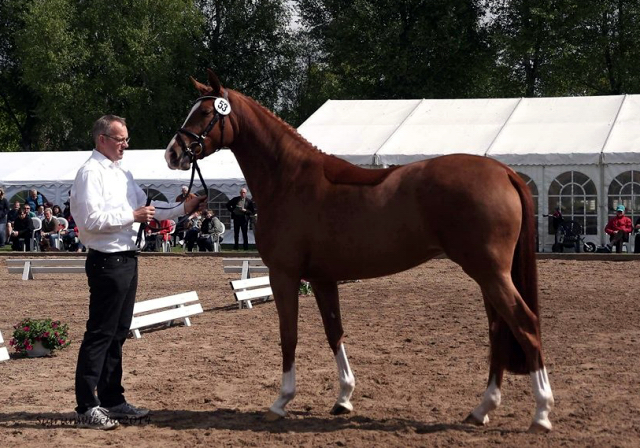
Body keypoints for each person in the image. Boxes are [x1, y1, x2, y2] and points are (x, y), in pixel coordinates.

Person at [71, 114, 206, 430]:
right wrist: (130, 215)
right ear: (103, 139)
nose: (125, 145)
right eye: (121, 140)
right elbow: (90, 220)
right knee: (100, 334)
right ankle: (86, 405)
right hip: (106, 260)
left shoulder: (122, 172)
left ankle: (111, 398)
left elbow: (149, 211)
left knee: (118, 333)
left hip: (128, 259)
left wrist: (184, 210)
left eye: (126, 140)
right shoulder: (90, 173)